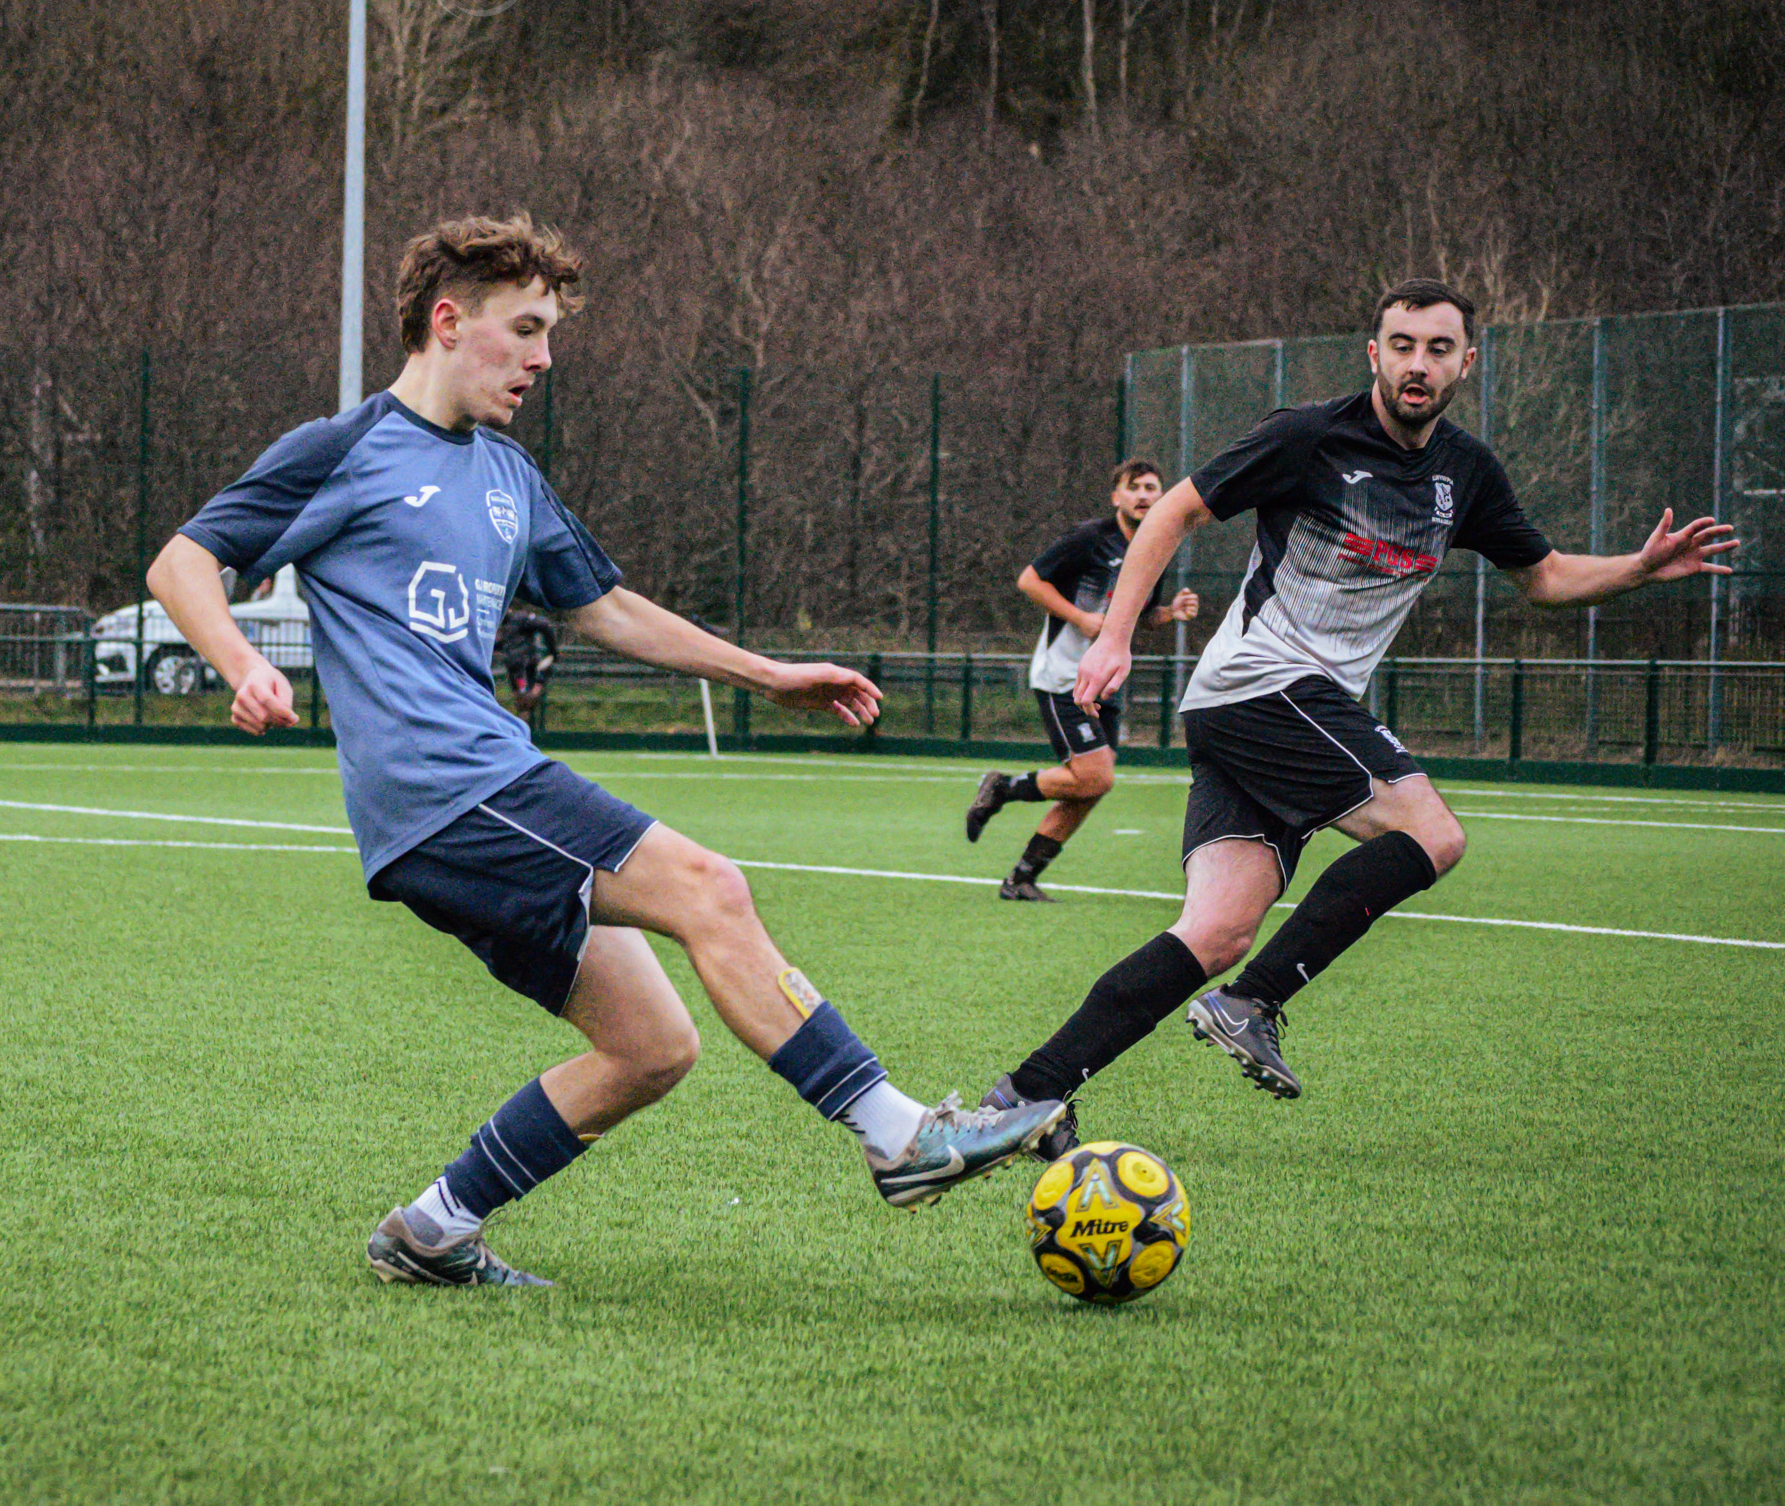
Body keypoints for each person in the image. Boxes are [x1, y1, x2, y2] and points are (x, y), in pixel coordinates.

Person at [147, 213, 1065, 1288]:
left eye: (550, 333)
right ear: (448, 321)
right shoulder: (343, 450)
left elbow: (609, 606)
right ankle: (898, 1134)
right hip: (451, 785)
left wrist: (767, 675)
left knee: (649, 1045)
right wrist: (241, 665)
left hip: (461, 804)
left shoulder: (507, 475)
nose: (543, 358)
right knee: (710, 888)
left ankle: (433, 1227)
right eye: (524, 329)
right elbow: (182, 563)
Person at [978, 279, 1735, 1148]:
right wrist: (1114, 636)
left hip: (1272, 710)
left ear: (1466, 363)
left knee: (1217, 929)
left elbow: (1546, 576)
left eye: (1439, 349)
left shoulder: (1466, 474)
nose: (1419, 364)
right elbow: (1177, 512)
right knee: (1434, 832)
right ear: (1374, 353)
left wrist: (1638, 568)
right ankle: (1251, 1003)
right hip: (1262, 685)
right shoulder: (1309, 436)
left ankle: (1024, 1095)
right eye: (1403, 345)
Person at [966, 460, 1199, 899]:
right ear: (1117, 497)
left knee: (1089, 788)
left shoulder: (1156, 544)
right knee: (1097, 777)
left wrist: (1168, 614)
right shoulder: (1089, 539)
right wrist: (1079, 617)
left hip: (1106, 681)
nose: (1144, 495)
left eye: (1152, 488)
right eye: (1135, 488)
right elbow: (1029, 580)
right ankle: (1001, 788)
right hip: (1064, 676)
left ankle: (1021, 879)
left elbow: (1136, 613)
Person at [494, 602, 559, 717]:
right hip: (515, 667)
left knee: (526, 697)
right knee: (522, 699)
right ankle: (524, 713)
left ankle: (527, 704)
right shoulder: (505, 624)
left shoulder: (519, 619)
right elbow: (504, 642)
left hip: (526, 664)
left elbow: (544, 625)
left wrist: (553, 651)